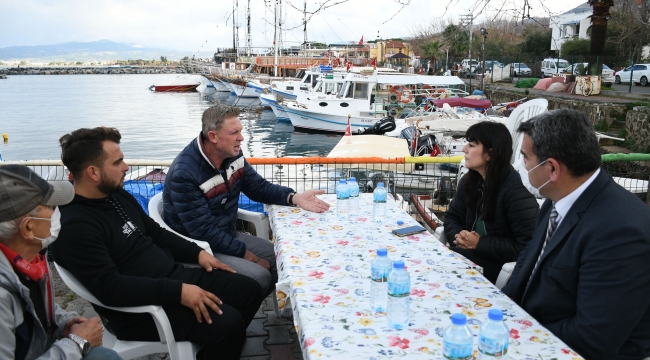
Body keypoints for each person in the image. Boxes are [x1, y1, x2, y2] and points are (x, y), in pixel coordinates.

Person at [50, 127, 264, 360]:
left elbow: (156, 233)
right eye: (118, 162)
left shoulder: (115, 195)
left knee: (249, 290)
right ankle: (222, 342)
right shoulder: (75, 226)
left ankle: (216, 350)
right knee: (229, 323)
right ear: (93, 172)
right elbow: (110, 288)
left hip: (171, 279)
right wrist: (179, 292)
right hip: (138, 311)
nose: (126, 168)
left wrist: (198, 254)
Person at [503, 109, 650, 359]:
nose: (522, 166)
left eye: (525, 158)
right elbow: (530, 260)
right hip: (537, 331)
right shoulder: (556, 199)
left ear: (552, 169)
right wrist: (498, 309)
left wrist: (518, 332)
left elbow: (592, 337)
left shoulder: (620, 232)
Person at [163, 104, 330, 297]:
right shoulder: (185, 174)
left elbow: (258, 187)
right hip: (198, 248)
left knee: (284, 259)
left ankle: (241, 302)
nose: (241, 138)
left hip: (226, 234)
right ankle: (231, 316)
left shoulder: (232, 155)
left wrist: (294, 197)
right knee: (260, 276)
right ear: (213, 137)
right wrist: (248, 256)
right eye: (234, 132)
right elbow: (203, 232)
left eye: (240, 131)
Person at [0, 165, 122, 360]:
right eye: (50, 207)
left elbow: (33, 312)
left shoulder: (32, 261)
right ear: (29, 228)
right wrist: (76, 343)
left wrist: (64, 323)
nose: (57, 212)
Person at [444, 121, 539, 284]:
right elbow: (452, 217)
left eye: (472, 145)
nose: (464, 149)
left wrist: (480, 243)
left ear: (490, 154)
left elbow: (527, 246)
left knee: (444, 263)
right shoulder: (469, 182)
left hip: (501, 268)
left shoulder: (514, 193)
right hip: (471, 254)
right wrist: (462, 238)